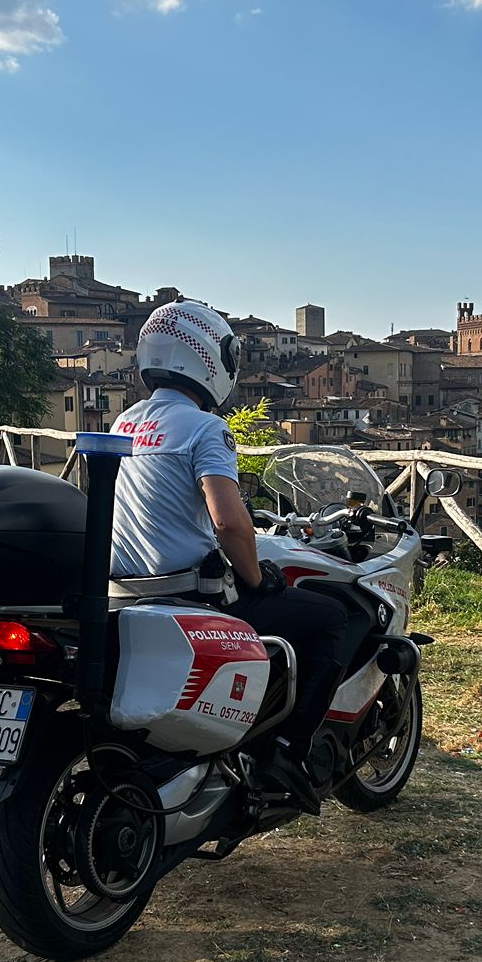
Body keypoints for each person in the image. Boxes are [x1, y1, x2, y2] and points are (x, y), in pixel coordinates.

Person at [107, 299, 346, 812]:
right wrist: (258, 578)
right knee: (330, 618)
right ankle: (288, 750)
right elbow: (231, 524)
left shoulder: (123, 422)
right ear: (210, 358)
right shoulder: (202, 428)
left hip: (125, 592)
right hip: (188, 594)